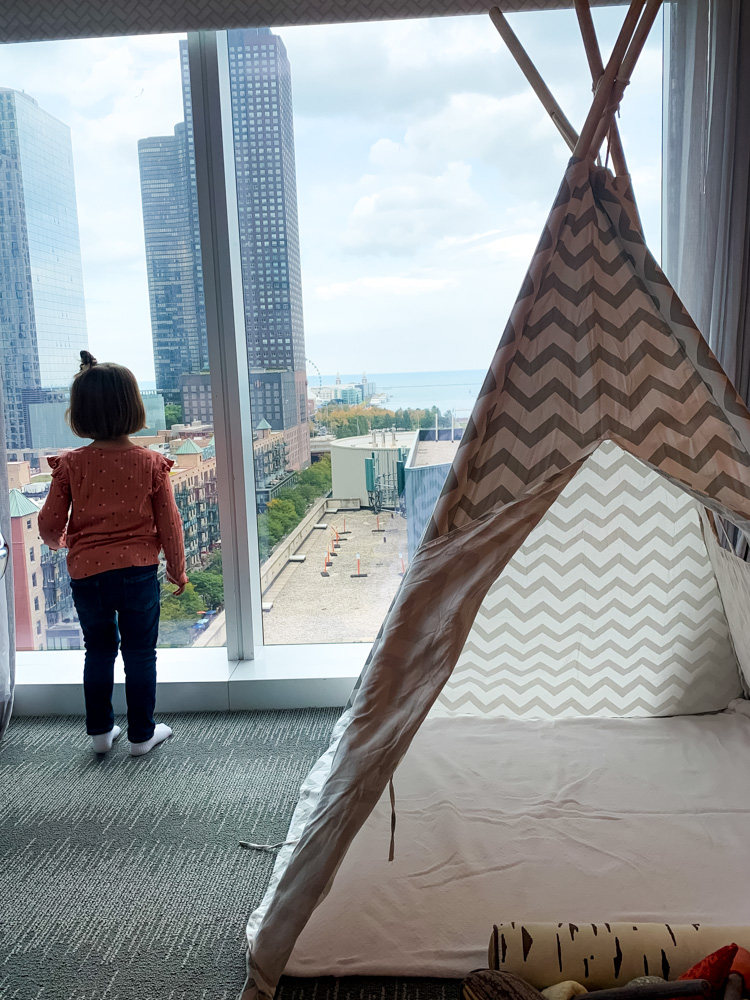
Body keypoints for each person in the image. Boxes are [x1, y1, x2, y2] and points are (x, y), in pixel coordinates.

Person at [38, 351, 188, 757]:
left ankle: (101, 733)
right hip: (138, 572)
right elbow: (169, 524)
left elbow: (49, 522)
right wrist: (178, 570)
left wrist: (62, 542)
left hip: (87, 573)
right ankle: (142, 733)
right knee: (140, 653)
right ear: (134, 407)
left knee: (98, 651)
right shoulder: (151, 463)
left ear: (80, 412)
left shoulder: (70, 465)